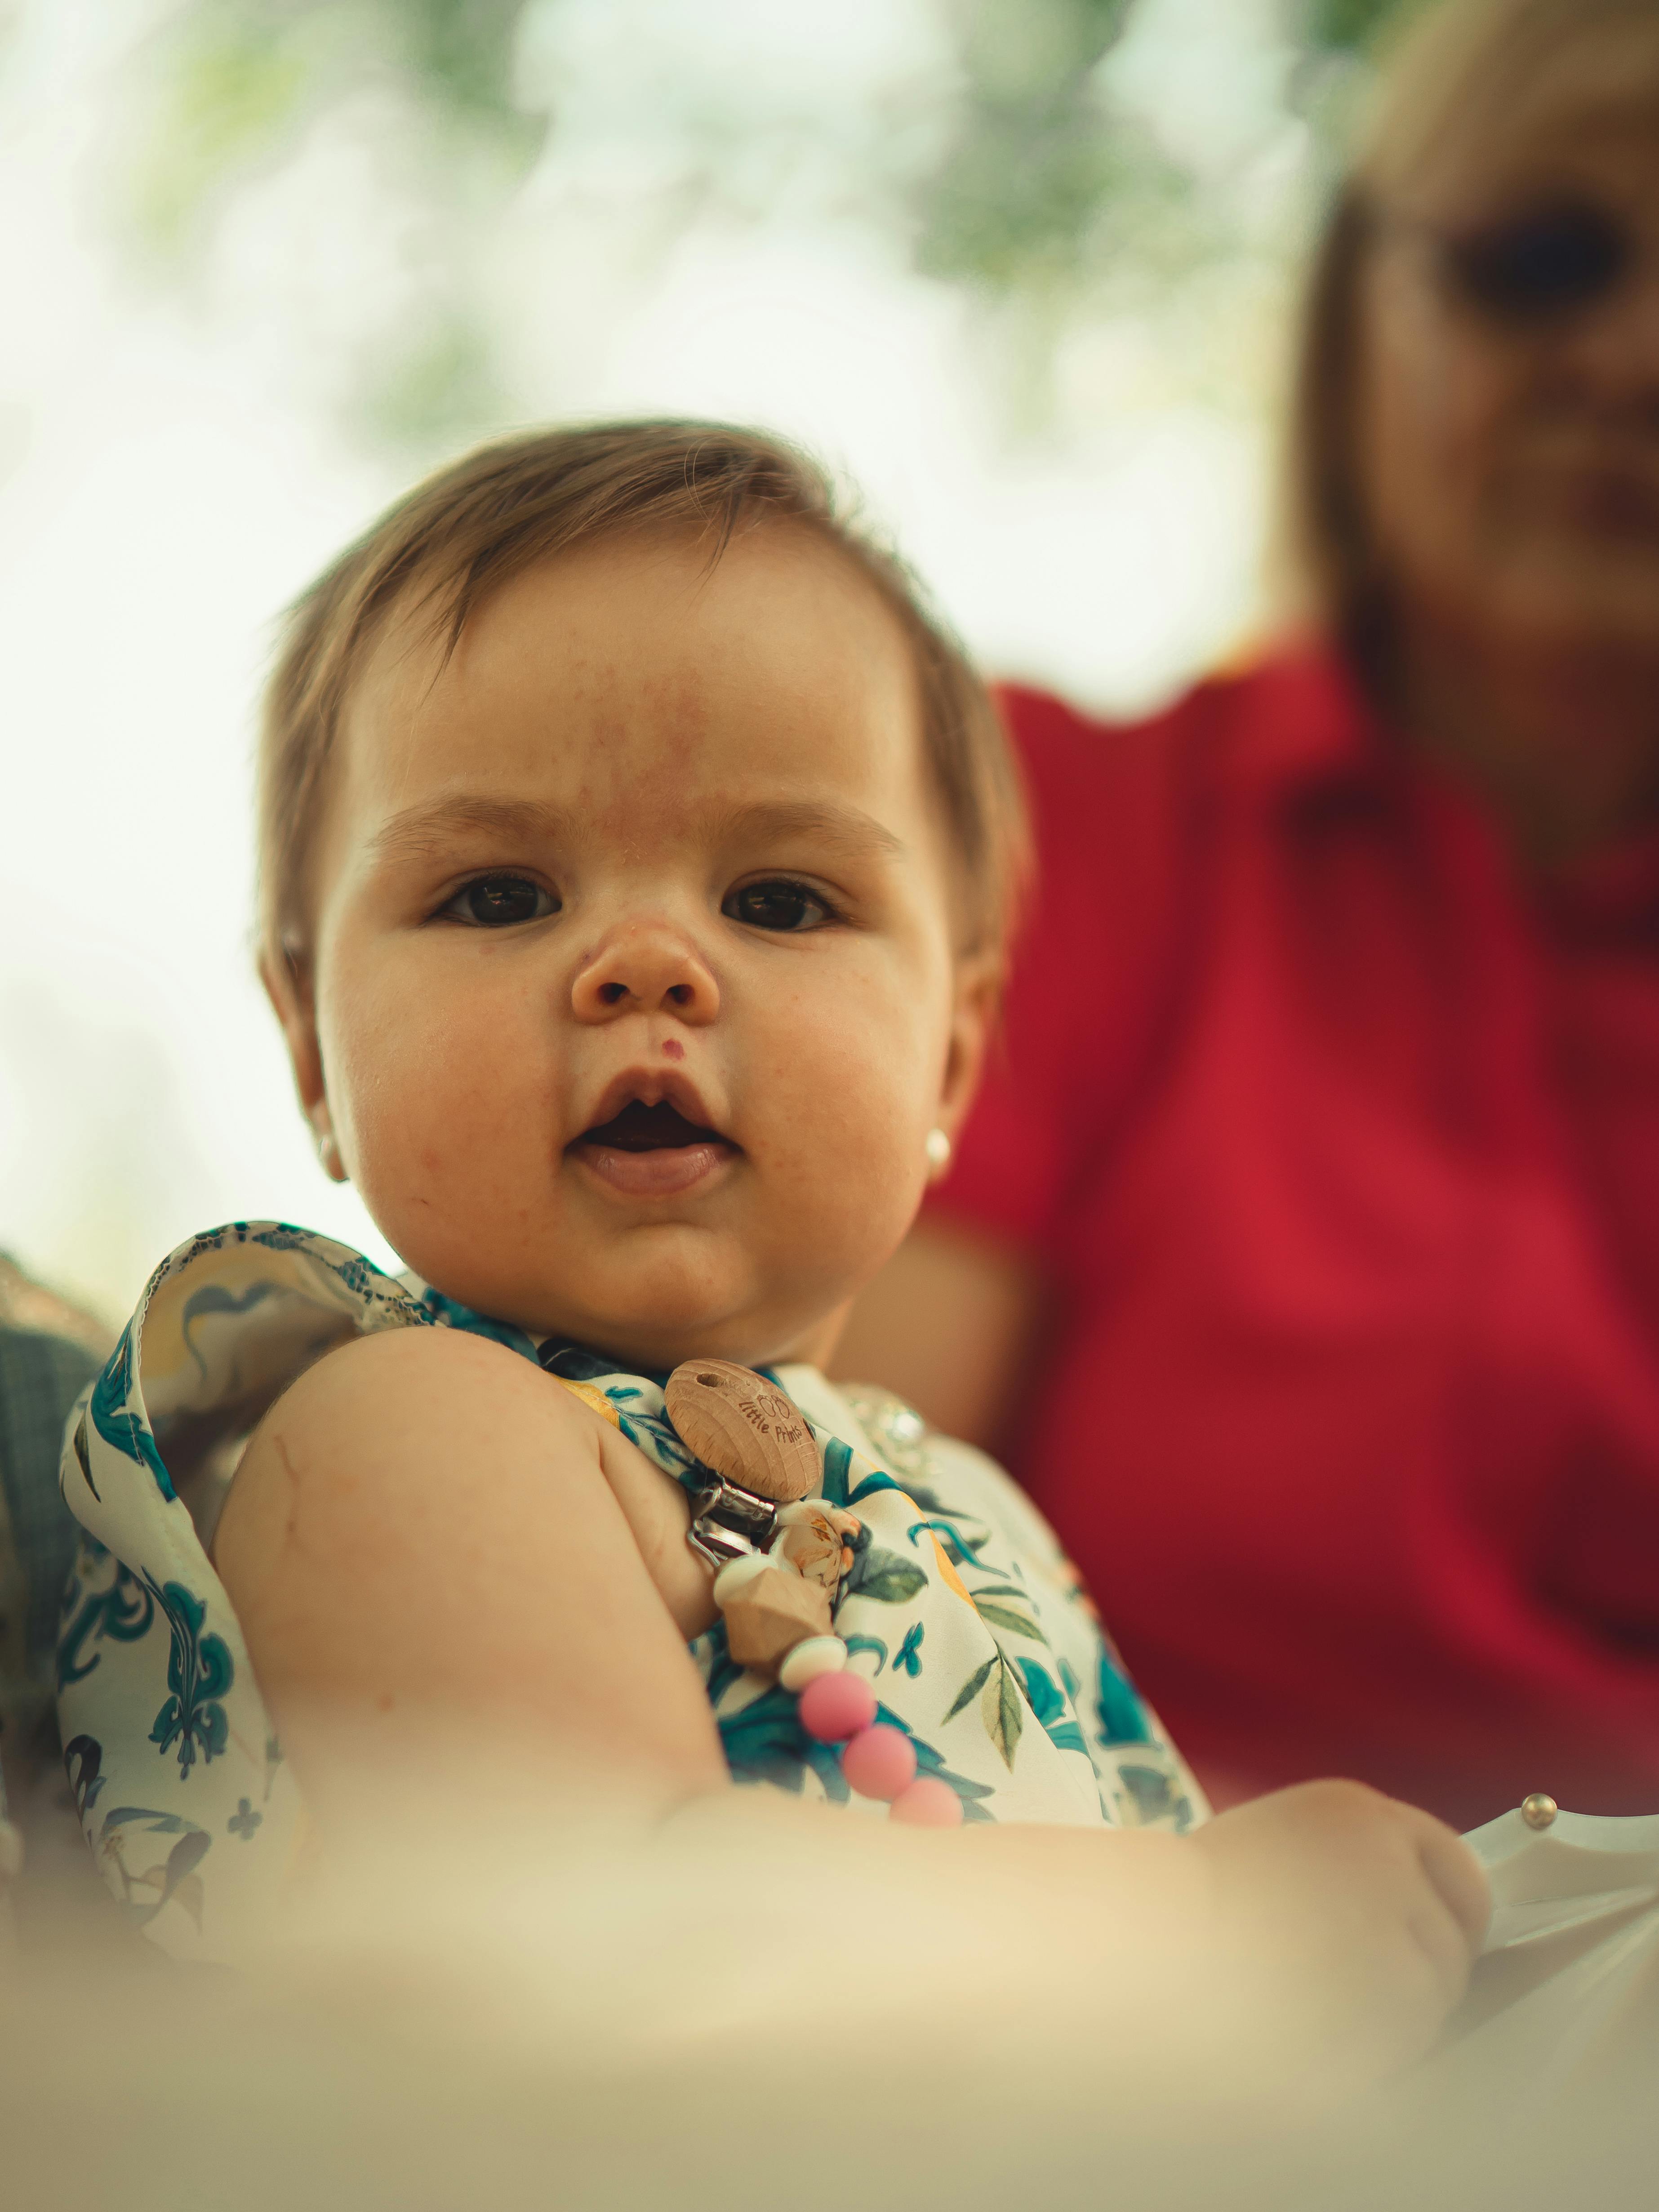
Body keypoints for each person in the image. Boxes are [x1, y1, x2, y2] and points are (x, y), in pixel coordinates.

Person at [52, 423, 1483, 2090]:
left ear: (951, 1060)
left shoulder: (963, 1511)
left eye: (783, 901)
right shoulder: (414, 1430)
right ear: (311, 1045)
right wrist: (1200, 1917)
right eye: (502, 891)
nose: (644, 962)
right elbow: (595, 1949)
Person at [836, 0, 1659, 1831]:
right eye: (1540, 255)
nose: (1633, 351)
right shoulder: (1051, 830)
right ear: (1349, 312)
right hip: (1150, 1958)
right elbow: (836, 1535)